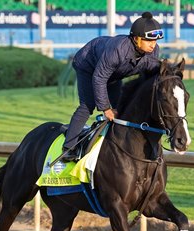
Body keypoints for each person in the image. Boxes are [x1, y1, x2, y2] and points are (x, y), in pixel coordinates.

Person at [60, 11, 164, 162]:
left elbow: (148, 77)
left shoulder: (153, 51)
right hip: (88, 66)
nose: (153, 45)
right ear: (135, 39)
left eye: (155, 40)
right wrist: (105, 108)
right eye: (148, 40)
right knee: (88, 105)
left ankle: (111, 144)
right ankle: (69, 146)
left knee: (119, 108)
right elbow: (99, 77)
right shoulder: (118, 50)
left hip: (114, 73)